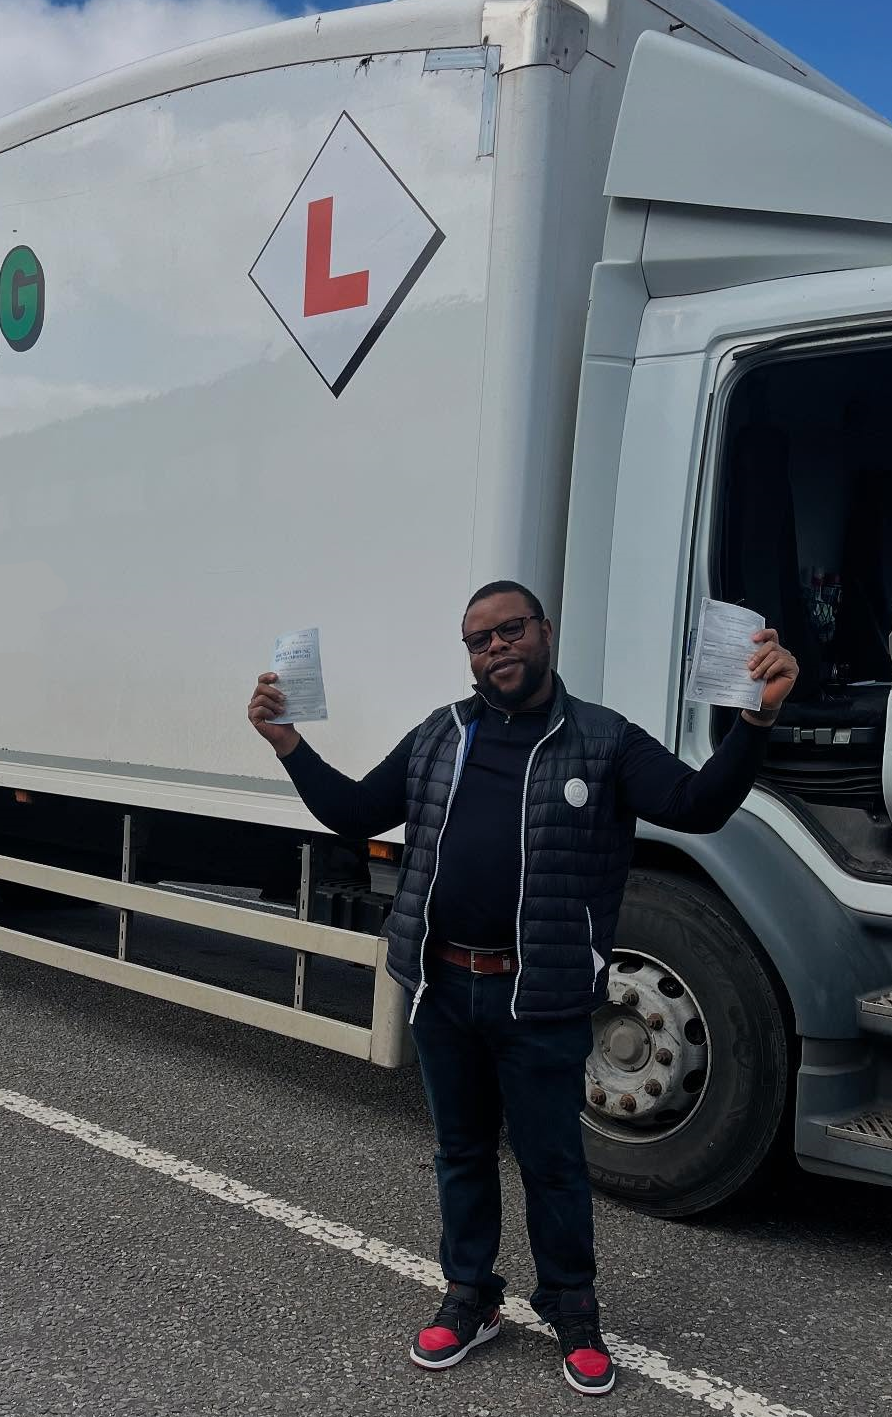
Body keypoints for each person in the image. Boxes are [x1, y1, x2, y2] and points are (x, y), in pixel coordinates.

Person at [246, 581, 797, 1398]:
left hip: (539, 995)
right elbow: (357, 810)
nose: (494, 647)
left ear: (545, 631)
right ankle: (471, 1296)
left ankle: (574, 1311)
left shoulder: (604, 742)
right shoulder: (444, 734)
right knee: (461, 1153)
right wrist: (287, 742)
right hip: (444, 987)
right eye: (477, 639)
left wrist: (754, 724)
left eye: (509, 630)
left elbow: (697, 804)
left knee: (553, 1162)